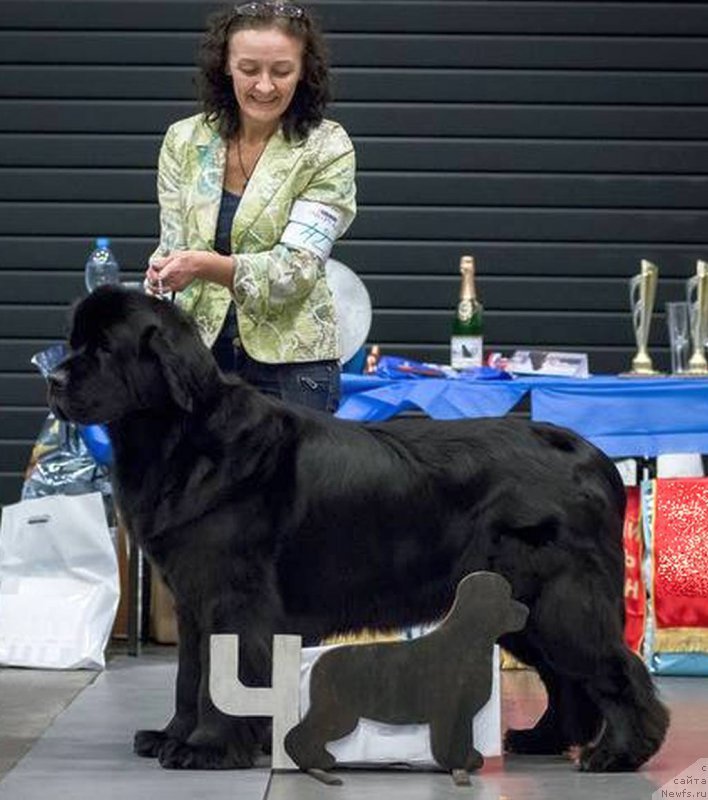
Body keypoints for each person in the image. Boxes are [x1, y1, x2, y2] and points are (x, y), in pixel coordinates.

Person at [144, 1, 356, 412]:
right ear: (225, 65)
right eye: (248, 69)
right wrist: (160, 275)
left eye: (281, 71)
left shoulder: (328, 147)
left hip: (294, 368)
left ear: (304, 70)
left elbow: (296, 271)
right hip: (198, 361)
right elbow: (171, 246)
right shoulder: (183, 141)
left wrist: (202, 266)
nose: (264, 86)